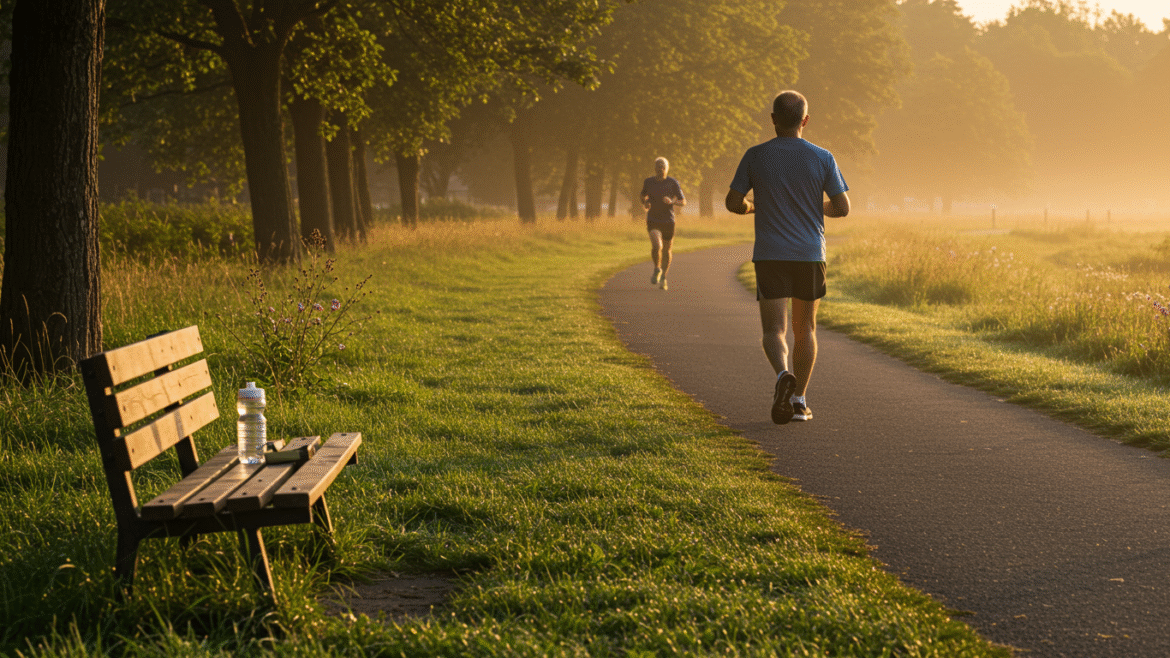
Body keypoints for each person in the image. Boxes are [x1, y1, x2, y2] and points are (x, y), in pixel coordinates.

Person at [725, 91, 850, 425]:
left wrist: (753, 205)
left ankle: (782, 375)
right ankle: (799, 401)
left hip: (771, 254)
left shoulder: (755, 156)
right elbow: (842, 208)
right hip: (810, 254)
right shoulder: (823, 157)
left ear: (773, 119)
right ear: (805, 120)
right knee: (804, 329)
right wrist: (813, 206)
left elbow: (732, 202)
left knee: (773, 330)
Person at [640, 157, 686, 291]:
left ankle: (664, 278)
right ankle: (657, 269)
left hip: (668, 220)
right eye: (658, 167)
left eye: (663, 167)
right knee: (656, 245)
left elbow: (683, 201)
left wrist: (672, 202)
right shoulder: (648, 182)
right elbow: (642, 196)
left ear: (666, 169)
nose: (660, 169)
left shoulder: (672, 183)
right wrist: (645, 202)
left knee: (667, 250)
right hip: (653, 219)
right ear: (655, 168)